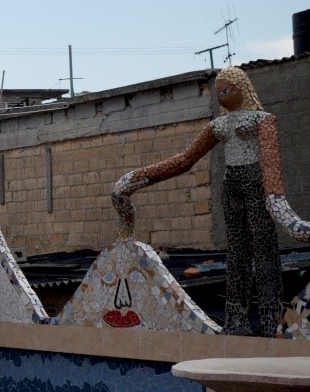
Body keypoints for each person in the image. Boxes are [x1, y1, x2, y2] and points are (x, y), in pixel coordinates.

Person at [112, 65, 310, 336]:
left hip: (256, 185)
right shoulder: (219, 125)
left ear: (243, 89)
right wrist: (138, 178)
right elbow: (185, 160)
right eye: (219, 92)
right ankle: (236, 322)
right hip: (232, 186)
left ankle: (269, 321)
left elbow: (270, 163)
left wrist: (278, 204)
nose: (223, 96)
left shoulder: (262, 120)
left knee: (265, 251)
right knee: (238, 254)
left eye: (228, 90)